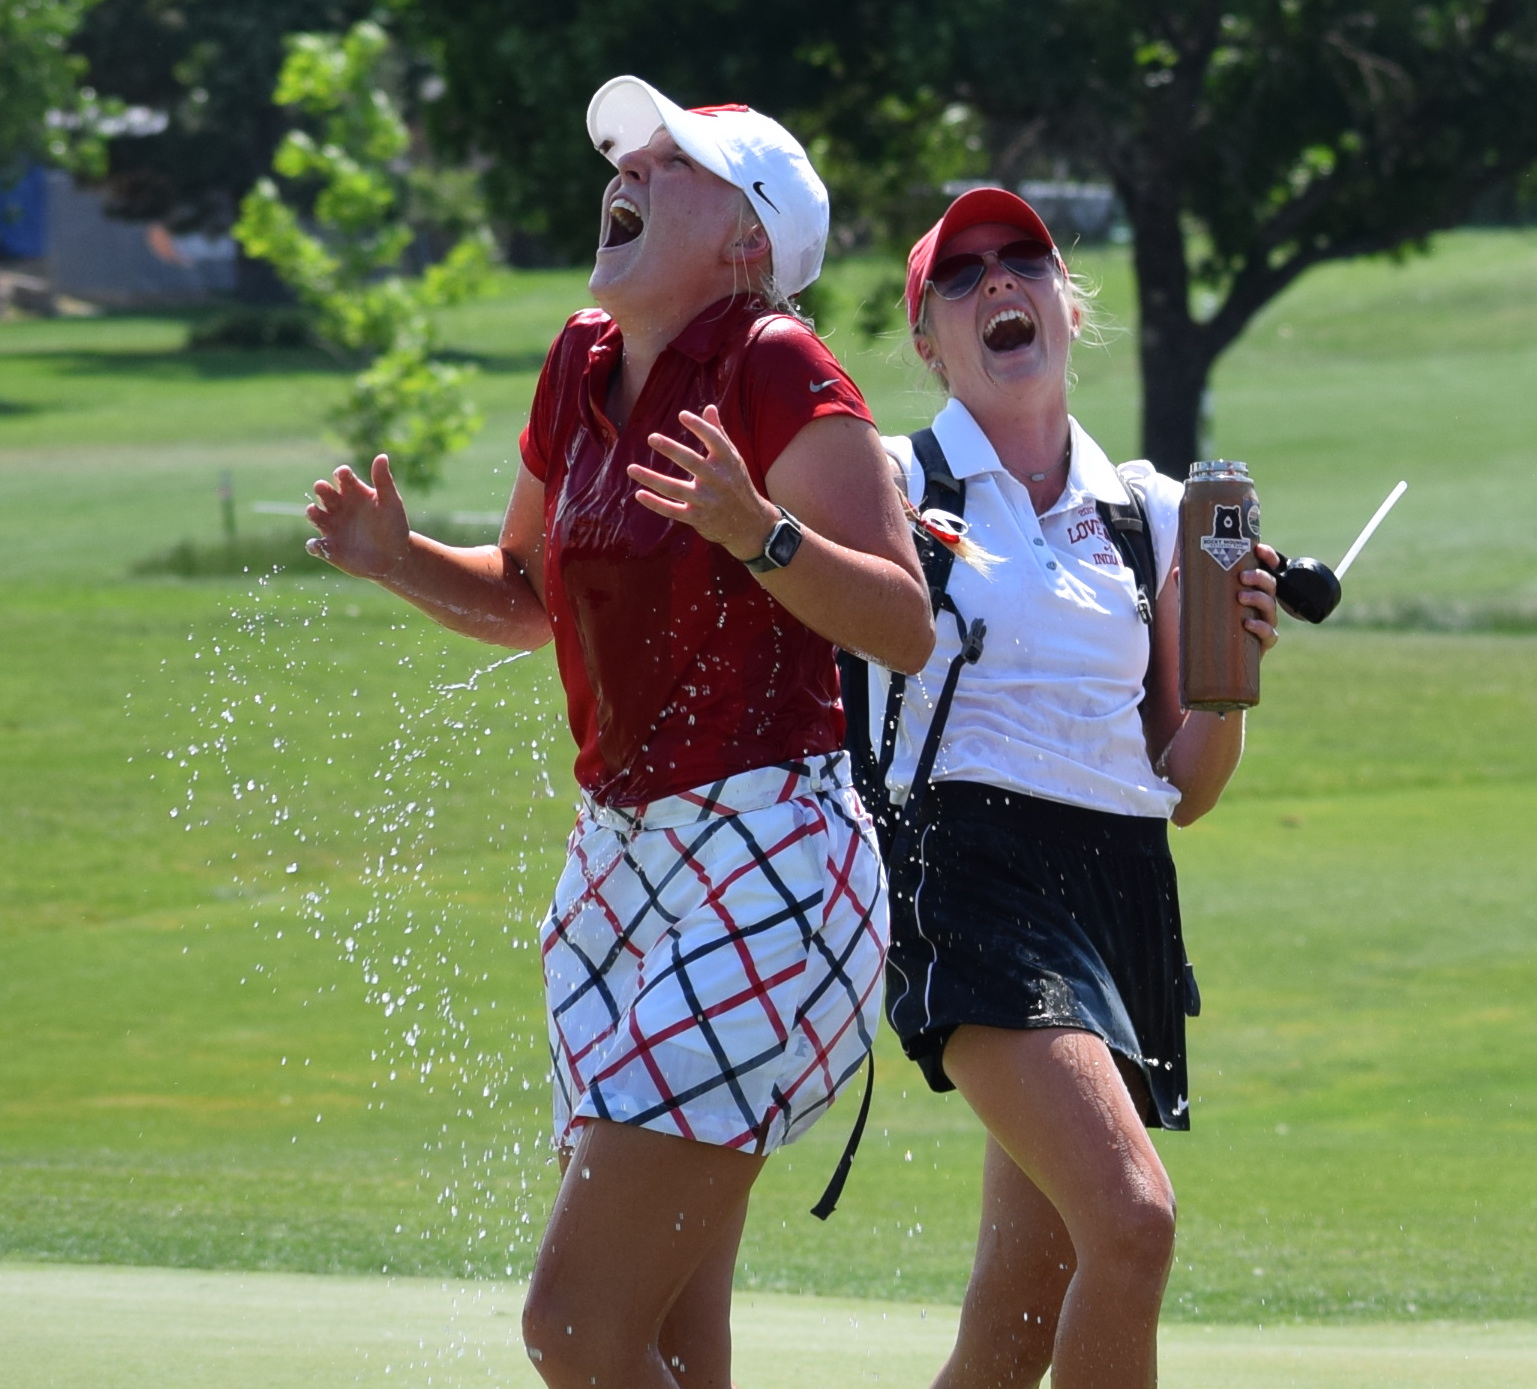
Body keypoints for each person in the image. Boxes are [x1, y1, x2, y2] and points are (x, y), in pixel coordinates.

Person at [304, 77, 933, 1389]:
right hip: (616, 871)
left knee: (575, 1326)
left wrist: (756, 532)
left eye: (673, 160)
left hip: (773, 858)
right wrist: (396, 557)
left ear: (748, 241)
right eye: (630, 156)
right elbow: (527, 597)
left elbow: (901, 623)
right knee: (662, 1338)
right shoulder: (581, 363)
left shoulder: (775, 363)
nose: (630, 169)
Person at [872, 188, 1280, 1388]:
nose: (998, 282)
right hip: (967, 873)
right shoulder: (894, 479)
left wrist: (1231, 681)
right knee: (1132, 1219)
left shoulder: (1149, 511)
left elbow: (1186, 785)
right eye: (962, 276)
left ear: (1067, 304)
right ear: (928, 342)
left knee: (1010, 1335)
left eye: (1024, 259)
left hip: (1119, 891)